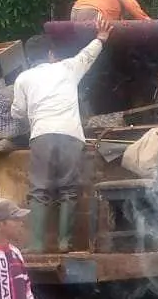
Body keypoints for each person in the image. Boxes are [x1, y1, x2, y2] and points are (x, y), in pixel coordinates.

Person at [11, 13, 114, 250]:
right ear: (51, 55)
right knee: (68, 189)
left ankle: (36, 245)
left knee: (40, 190)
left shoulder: (23, 78)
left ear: (29, 59)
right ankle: (64, 242)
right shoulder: (66, 68)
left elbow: (18, 112)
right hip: (70, 136)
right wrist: (102, 36)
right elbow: (87, 56)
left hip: (42, 135)